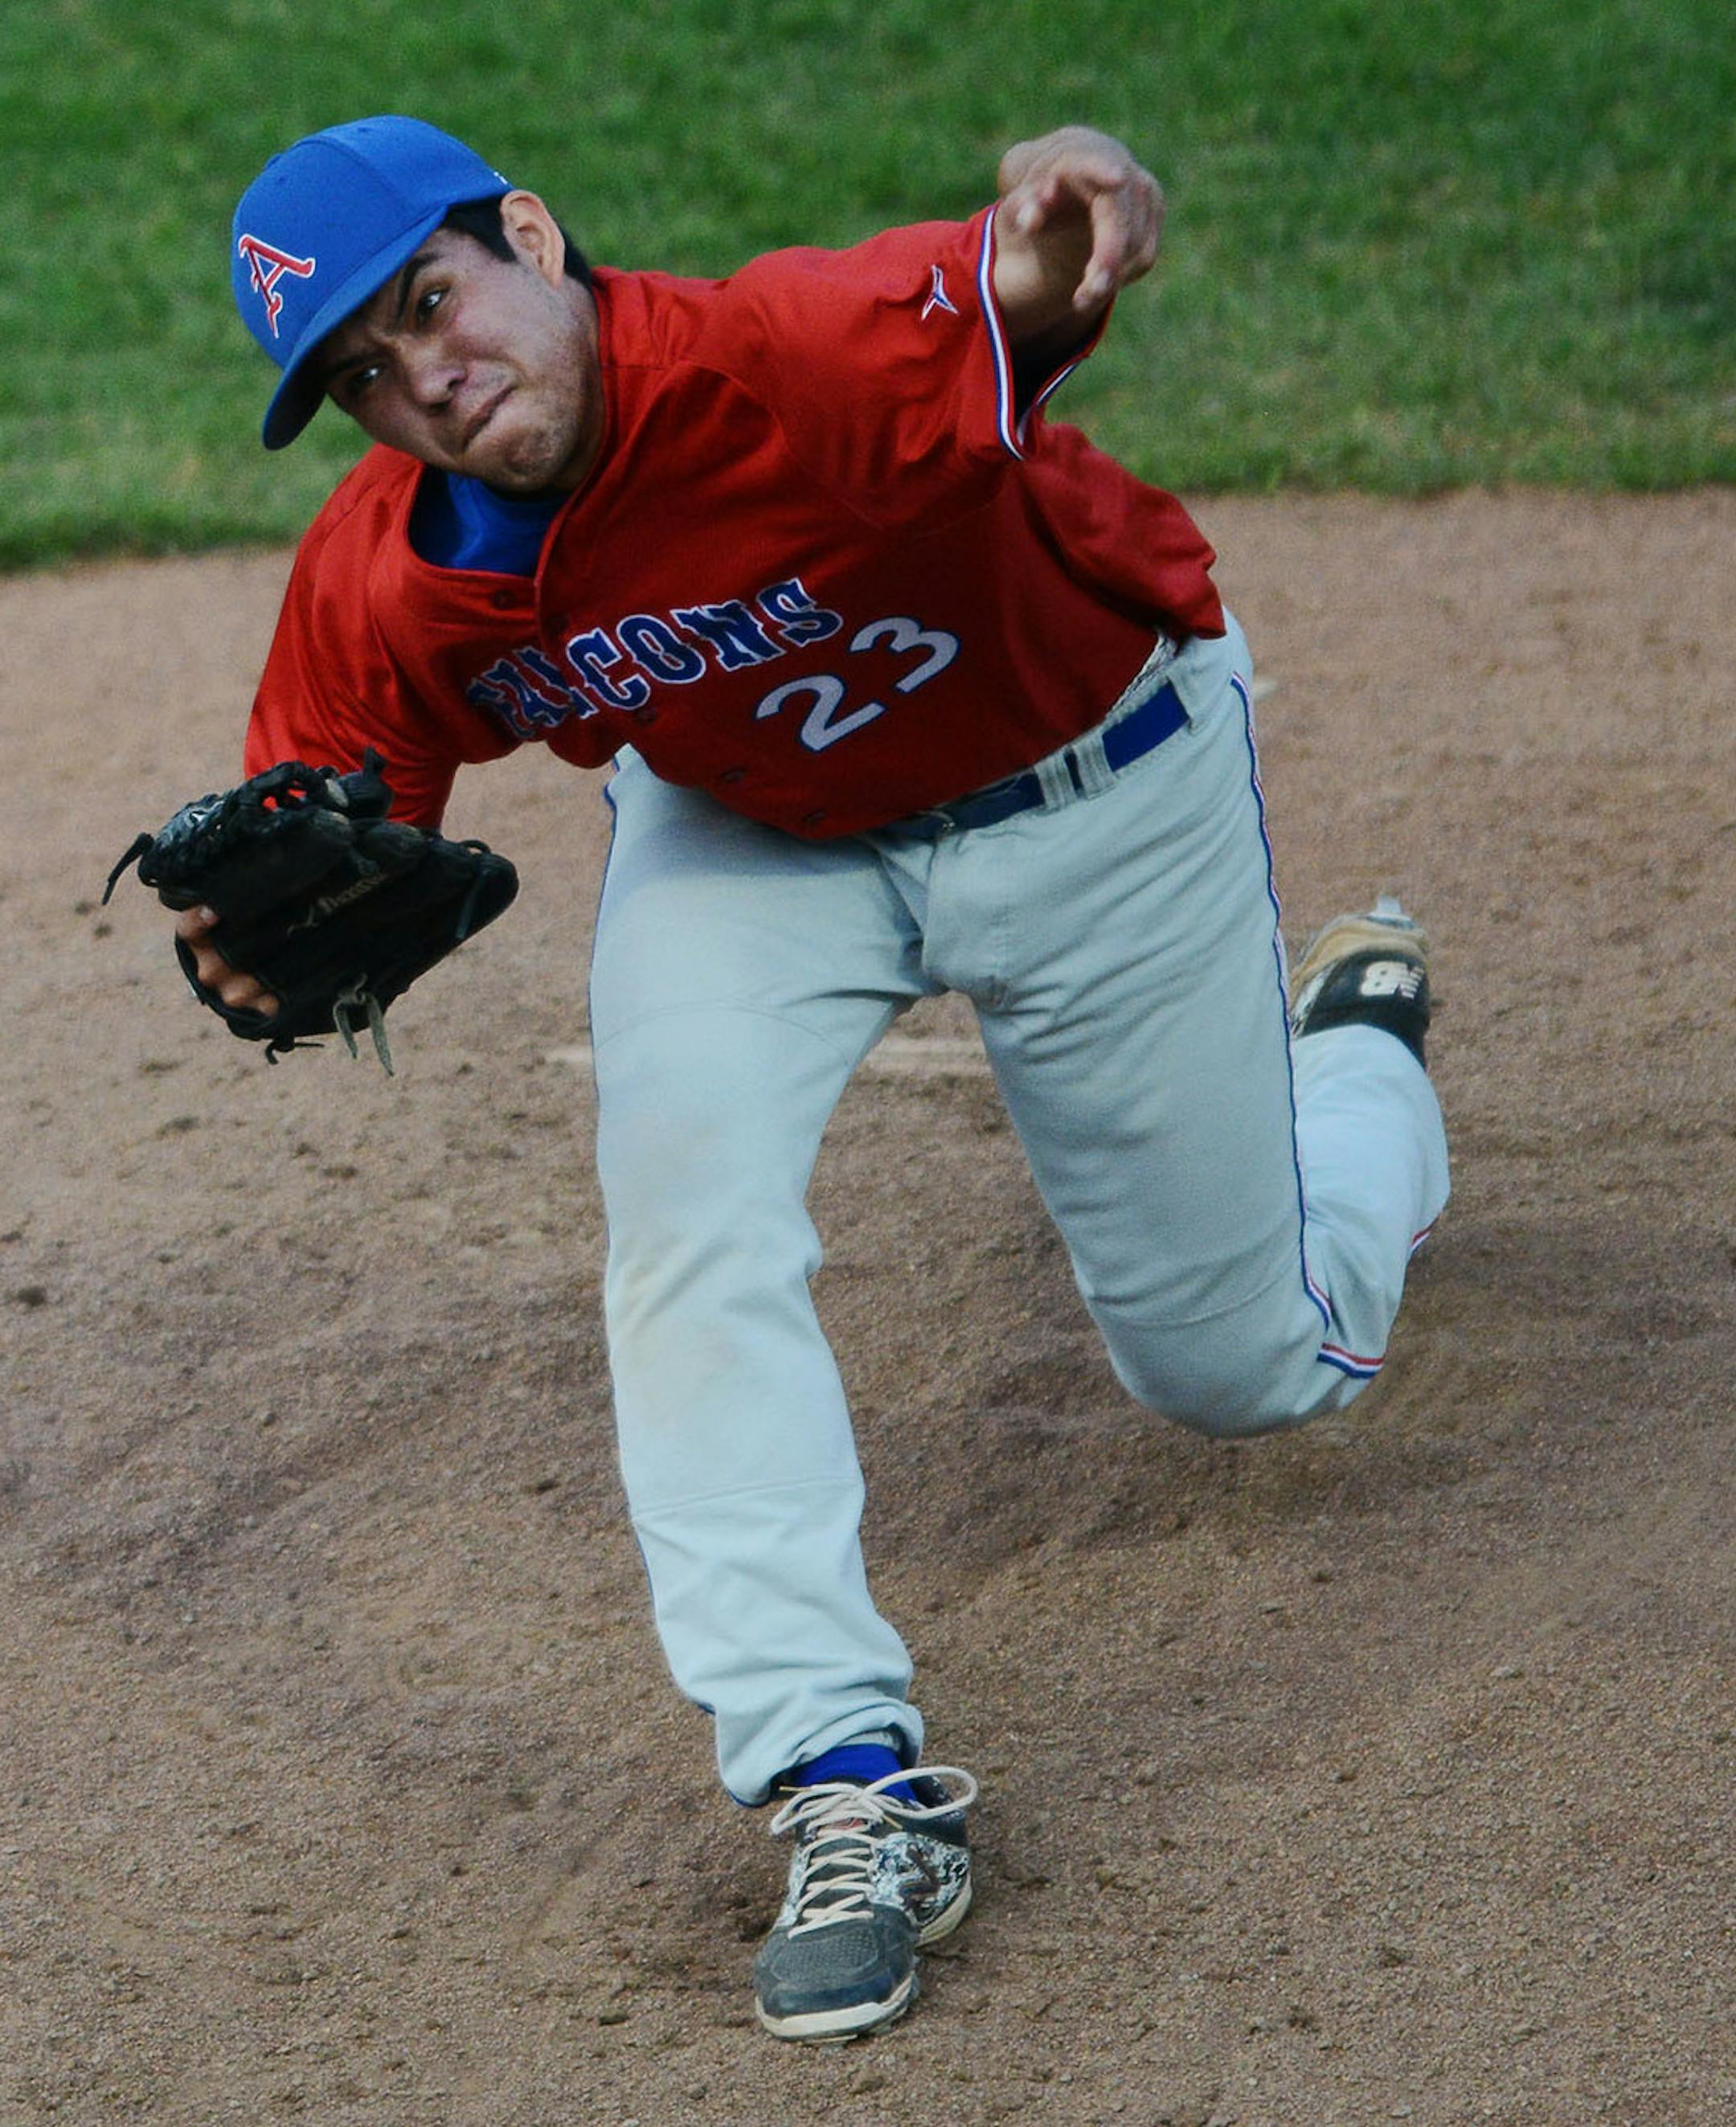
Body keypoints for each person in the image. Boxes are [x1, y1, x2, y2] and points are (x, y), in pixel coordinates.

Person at [191, 114, 1449, 2043]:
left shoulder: (796, 355)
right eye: (363, 375)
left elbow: (1012, 284)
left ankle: (1353, 1062)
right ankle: (842, 1783)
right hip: (754, 839)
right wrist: (250, 929)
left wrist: (1068, 212)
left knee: (1240, 1372)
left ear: (530, 237)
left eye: (432, 306)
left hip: (1097, 787)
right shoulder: (397, 570)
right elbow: (318, 809)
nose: (422, 381)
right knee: (681, 1216)